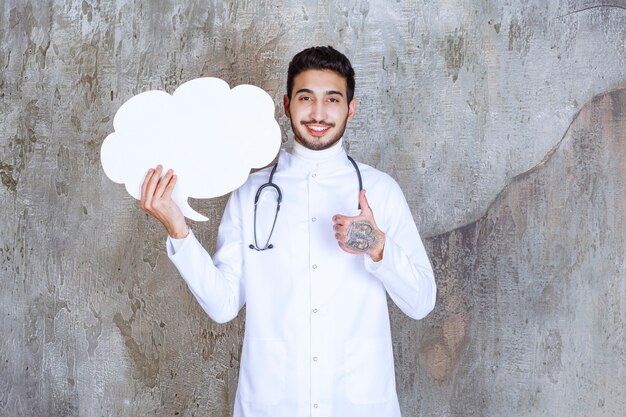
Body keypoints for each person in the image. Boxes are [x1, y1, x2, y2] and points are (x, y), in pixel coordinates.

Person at [140, 46, 436, 417]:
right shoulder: (250, 194)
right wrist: (178, 229)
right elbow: (223, 305)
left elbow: (422, 302)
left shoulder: (381, 191)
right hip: (273, 405)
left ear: (351, 108)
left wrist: (378, 247)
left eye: (332, 99)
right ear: (286, 105)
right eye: (305, 98)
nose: (318, 113)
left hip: (358, 405)